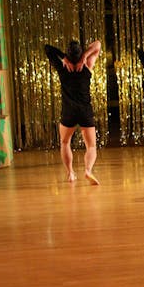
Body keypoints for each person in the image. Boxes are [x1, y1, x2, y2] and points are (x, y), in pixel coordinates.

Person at [45, 40, 102, 185]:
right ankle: (88, 170)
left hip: (68, 111)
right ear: (81, 53)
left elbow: (48, 48)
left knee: (65, 142)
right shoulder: (88, 64)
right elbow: (98, 44)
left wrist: (64, 58)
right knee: (91, 146)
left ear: (68, 55)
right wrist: (86, 55)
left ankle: (70, 173)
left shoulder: (62, 67)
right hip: (85, 110)